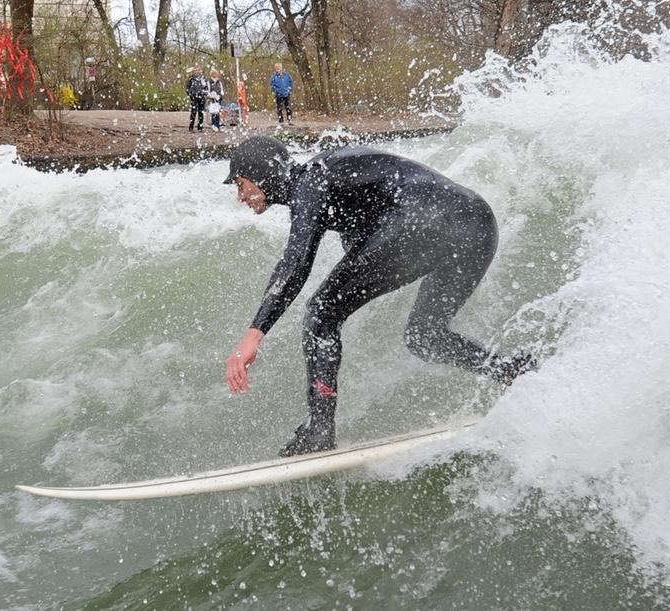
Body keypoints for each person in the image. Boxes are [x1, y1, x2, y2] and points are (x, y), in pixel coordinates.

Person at [222, 136, 536, 456]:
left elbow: (295, 264)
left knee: (322, 313)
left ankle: (320, 431)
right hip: (477, 222)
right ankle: (514, 372)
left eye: (241, 184)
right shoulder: (333, 176)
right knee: (424, 336)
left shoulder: (310, 183)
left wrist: (253, 335)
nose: (240, 196)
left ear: (262, 175)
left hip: (427, 219)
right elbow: (365, 234)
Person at [185, 66, 209, 132]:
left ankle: (200, 127)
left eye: (199, 70)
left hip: (202, 97)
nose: (198, 71)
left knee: (201, 112)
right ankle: (191, 127)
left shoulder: (203, 78)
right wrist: (190, 94)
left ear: (201, 71)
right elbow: (187, 87)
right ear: (194, 71)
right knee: (193, 112)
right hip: (194, 97)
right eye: (196, 70)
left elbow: (207, 88)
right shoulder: (191, 78)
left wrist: (205, 94)